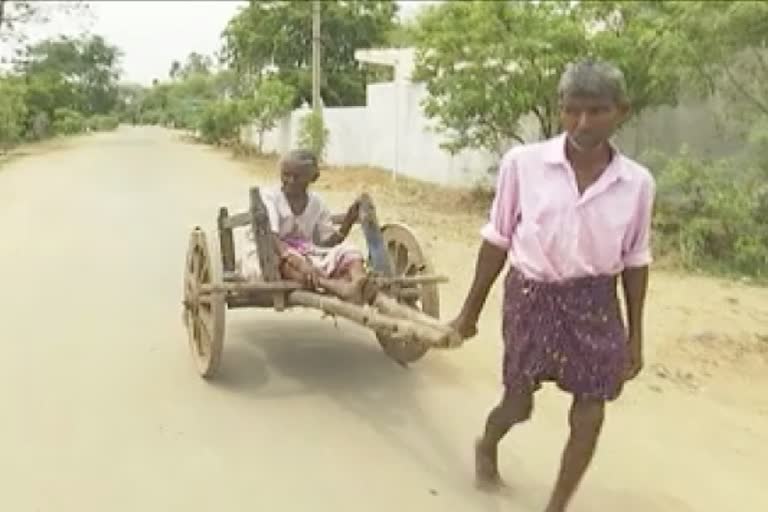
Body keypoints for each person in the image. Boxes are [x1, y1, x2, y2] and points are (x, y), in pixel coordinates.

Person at [449, 60, 655, 512]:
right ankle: (488, 441)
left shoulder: (637, 183)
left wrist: (635, 336)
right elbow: (498, 239)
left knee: (590, 412)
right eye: (572, 110)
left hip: (595, 302)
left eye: (597, 111)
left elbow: (636, 260)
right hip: (532, 296)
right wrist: (469, 314)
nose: (583, 123)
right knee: (519, 403)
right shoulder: (523, 165)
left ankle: (557, 505)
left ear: (621, 110)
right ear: (560, 109)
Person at [239, 149, 376, 304]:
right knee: (287, 264)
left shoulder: (317, 203)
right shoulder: (269, 196)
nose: (290, 180)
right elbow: (272, 237)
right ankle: (335, 287)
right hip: (269, 252)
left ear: (313, 178)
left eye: (297, 177)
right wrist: (297, 261)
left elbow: (326, 243)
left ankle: (359, 283)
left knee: (349, 249)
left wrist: (348, 222)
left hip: (305, 252)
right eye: (285, 175)